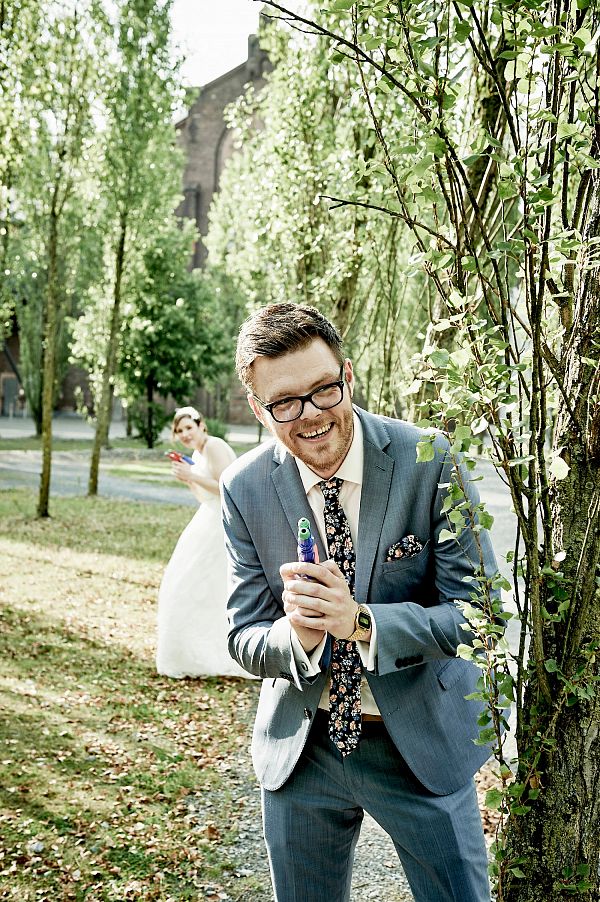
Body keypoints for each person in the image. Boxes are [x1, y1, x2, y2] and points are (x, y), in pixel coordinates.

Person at [220, 303, 499, 902]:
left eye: (324, 389)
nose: (311, 414)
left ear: (347, 375)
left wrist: (362, 622)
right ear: (258, 409)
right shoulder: (243, 488)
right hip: (303, 751)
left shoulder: (430, 459)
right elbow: (243, 636)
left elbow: (480, 615)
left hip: (420, 744)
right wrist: (296, 637)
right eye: (285, 402)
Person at [156, 406, 249, 679]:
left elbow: (225, 486)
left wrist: (192, 475)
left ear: (201, 425)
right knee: (185, 582)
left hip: (221, 523)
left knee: (205, 584)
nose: (185, 434)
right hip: (206, 517)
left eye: (188, 427)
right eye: (179, 430)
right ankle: (190, 651)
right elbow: (203, 496)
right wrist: (188, 479)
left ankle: (219, 650)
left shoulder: (214, 446)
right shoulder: (197, 454)